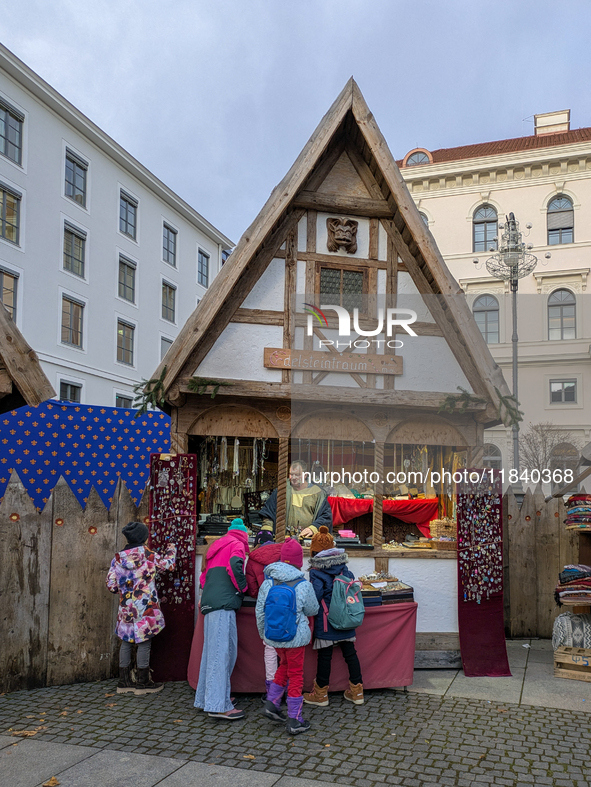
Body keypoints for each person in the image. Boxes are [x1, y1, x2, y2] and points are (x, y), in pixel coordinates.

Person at [256, 538, 319, 734]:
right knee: (296, 674)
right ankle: (295, 719)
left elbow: (260, 612)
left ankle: (272, 703)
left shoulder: (268, 582)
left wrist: (264, 635)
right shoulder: (303, 584)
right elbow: (313, 609)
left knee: (284, 666)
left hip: (274, 636)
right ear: (299, 561)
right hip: (295, 638)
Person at [106, 521, 176, 695]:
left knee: (126, 641)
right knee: (144, 641)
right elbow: (169, 565)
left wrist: (125, 590)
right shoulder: (148, 555)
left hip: (126, 607)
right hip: (145, 606)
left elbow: (111, 585)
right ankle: (143, 682)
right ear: (144, 537)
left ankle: (124, 682)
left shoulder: (118, 558)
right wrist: (171, 548)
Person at [194, 518, 249, 720]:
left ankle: (207, 698)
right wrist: (242, 587)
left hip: (210, 601)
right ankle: (218, 705)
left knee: (213, 652)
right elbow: (236, 564)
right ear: (243, 534)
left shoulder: (214, 547)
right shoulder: (236, 544)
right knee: (221, 653)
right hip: (224, 603)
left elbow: (203, 577)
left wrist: (204, 596)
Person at [303, 525, 364, 707]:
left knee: (325, 656)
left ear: (314, 551)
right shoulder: (345, 569)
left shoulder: (316, 572)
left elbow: (315, 597)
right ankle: (357, 692)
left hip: (326, 621)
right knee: (350, 654)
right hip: (346, 617)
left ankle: (321, 694)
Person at [245, 538, 283, 697]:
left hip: (268, 608)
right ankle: (287, 689)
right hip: (287, 609)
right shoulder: (284, 552)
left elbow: (253, 590)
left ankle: (273, 692)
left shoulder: (253, 558)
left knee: (270, 649)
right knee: (288, 651)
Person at [258, 459, 332, 539]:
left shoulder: (318, 493)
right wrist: (267, 531)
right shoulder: (282, 490)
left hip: (308, 540)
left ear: (305, 475)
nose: (293, 477)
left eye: (297, 475)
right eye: (291, 474)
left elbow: (326, 516)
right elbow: (268, 513)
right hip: (284, 539)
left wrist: (313, 528)